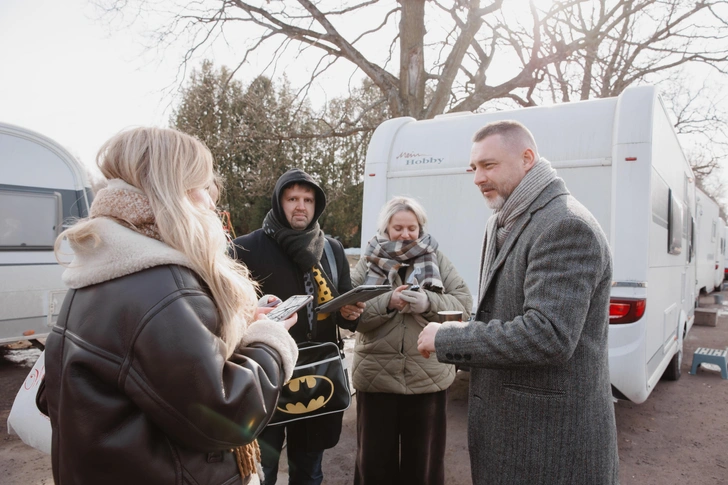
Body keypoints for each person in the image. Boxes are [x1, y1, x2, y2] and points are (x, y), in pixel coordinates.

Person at [37, 127, 300, 485]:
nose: (212, 203)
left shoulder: (101, 270)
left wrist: (237, 327)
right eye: (203, 188)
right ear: (175, 190)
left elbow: (56, 392)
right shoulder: (162, 286)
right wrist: (270, 341)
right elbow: (227, 414)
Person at [417, 120, 619, 484]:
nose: (478, 178)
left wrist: (450, 338)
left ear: (527, 158)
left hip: (550, 449)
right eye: (473, 168)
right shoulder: (503, 219)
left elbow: (549, 334)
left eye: (488, 165)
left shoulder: (566, 225)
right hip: (508, 436)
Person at [231, 168, 363, 485]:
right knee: (261, 474)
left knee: (309, 471)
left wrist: (350, 311)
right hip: (267, 375)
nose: (300, 206)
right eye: (292, 198)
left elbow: (347, 315)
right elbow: (230, 314)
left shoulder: (331, 249)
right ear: (279, 201)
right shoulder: (245, 248)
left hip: (318, 378)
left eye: (308, 199)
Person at [350, 196, 472, 485]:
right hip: (376, 379)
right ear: (386, 229)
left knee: (424, 469)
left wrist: (428, 302)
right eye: (398, 228)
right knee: (374, 466)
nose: (405, 235)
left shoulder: (437, 258)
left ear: (421, 228)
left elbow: (463, 305)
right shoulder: (369, 260)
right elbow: (352, 313)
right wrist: (388, 302)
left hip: (426, 376)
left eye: (412, 228)